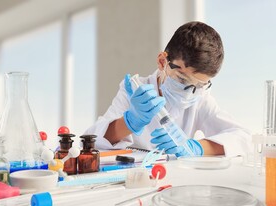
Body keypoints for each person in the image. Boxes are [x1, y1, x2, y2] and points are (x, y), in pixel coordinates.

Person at [84, 21, 251, 157]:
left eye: (199, 85)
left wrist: (194, 148)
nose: (189, 91)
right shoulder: (135, 91)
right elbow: (93, 141)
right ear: (163, 62)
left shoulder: (200, 99)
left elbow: (242, 138)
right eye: (182, 79)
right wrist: (131, 121)